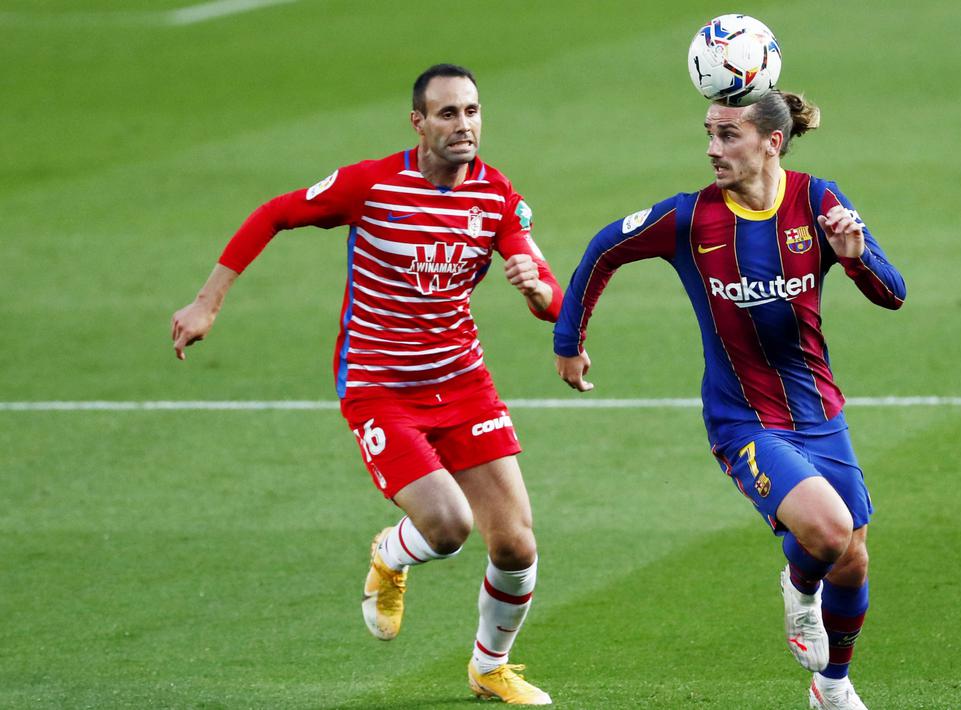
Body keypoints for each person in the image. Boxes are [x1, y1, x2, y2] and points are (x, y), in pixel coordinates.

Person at [171, 64, 557, 706]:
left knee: (516, 544)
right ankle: (391, 553)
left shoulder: (496, 196)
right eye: (447, 114)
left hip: (463, 384)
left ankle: (491, 667)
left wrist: (538, 289)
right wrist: (207, 302)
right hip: (380, 387)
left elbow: (550, 298)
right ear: (418, 122)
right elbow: (274, 214)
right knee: (448, 528)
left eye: (472, 111)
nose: (464, 126)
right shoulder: (371, 185)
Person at [553, 90, 905, 710]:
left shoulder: (819, 201)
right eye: (709, 134)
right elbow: (603, 248)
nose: (713, 149)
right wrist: (568, 340)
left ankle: (832, 686)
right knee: (827, 531)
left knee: (852, 559)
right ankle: (799, 592)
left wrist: (855, 260)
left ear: (772, 141)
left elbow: (894, 293)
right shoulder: (690, 219)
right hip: (742, 418)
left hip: (818, 411)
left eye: (728, 136)